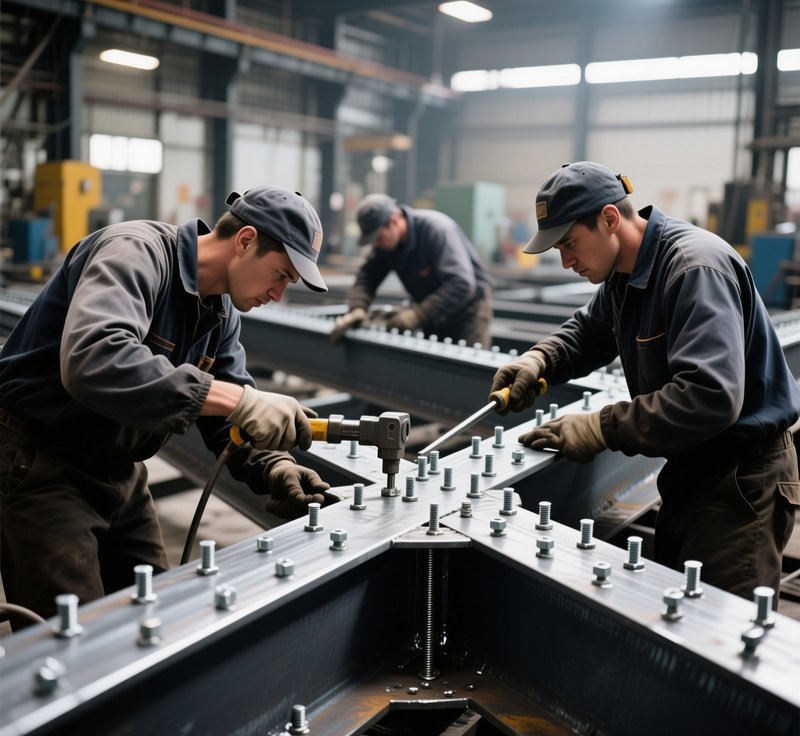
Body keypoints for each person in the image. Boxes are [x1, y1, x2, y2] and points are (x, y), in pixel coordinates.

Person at [0, 185, 332, 627]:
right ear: (246, 240)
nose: (277, 294)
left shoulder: (220, 313)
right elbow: (93, 358)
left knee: (154, 621)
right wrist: (239, 400)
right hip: (40, 463)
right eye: (281, 275)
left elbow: (227, 412)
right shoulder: (135, 253)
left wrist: (274, 467)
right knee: (73, 644)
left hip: (119, 468)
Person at [491, 161, 800, 603]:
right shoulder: (624, 274)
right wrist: (540, 360)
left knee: (718, 636)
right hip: (692, 468)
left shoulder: (694, 268)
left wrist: (602, 427)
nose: (566, 261)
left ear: (610, 219)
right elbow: (589, 332)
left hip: (742, 479)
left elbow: (710, 396)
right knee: (678, 613)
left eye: (570, 243)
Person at [330, 193, 493, 347]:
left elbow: (461, 284)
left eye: (378, 237)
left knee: (465, 371)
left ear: (394, 221)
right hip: (432, 312)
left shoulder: (436, 230)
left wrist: (417, 316)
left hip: (467, 315)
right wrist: (358, 308)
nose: (376, 245)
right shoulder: (386, 245)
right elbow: (368, 275)